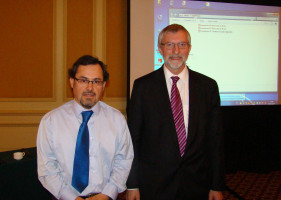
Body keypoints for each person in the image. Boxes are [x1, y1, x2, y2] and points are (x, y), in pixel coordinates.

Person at [126, 24, 225, 200]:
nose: (176, 51)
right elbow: (134, 139)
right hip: (155, 184)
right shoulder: (143, 86)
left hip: (197, 183)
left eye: (182, 44)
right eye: (169, 45)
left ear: (189, 48)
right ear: (160, 49)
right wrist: (132, 183)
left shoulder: (208, 87)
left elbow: (214, 139)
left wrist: (216, 184)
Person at [37, 55, 134, 200]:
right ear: (72, 82)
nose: (90, 87)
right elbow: (47, 169)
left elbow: (124, 161)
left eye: (96, 81)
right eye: (83, 80)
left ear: (103, 85)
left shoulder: (117, 120)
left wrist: (108, 194)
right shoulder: (51, 121)